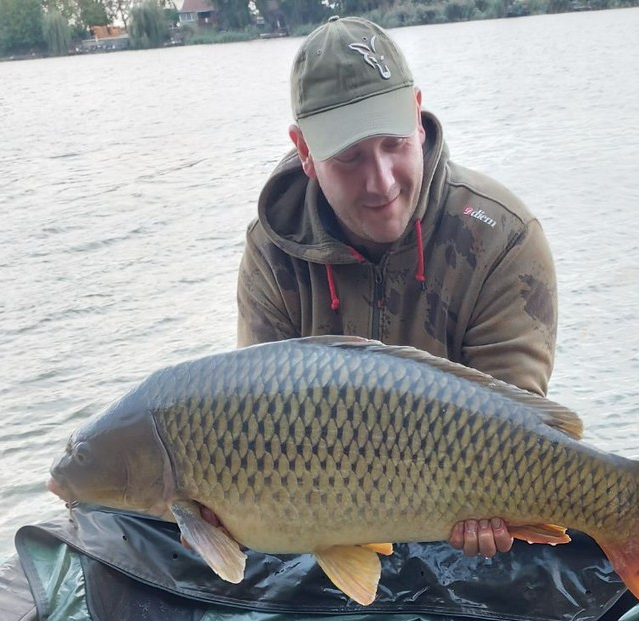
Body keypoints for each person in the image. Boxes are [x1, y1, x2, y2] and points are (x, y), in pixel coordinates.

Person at [235, 15, 558, 559]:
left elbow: (518, 424)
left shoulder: (501, 236)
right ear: (305, 150)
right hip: (325, 515)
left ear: (418, 114)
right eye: (350, 157)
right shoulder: (273, 252)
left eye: (394, 143)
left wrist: (501, 511)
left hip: (463, 520)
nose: (381, 181)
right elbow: (259, 424)